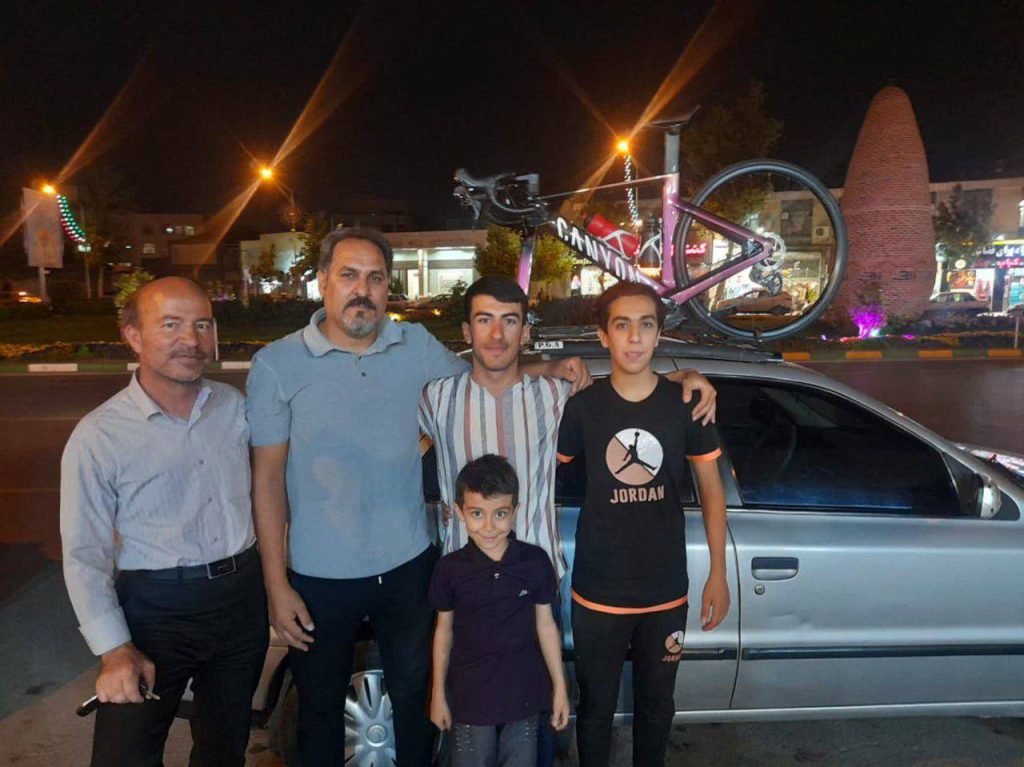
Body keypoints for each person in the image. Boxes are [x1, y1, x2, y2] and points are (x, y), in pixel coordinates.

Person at [246, 228, 591, 765]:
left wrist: (549, 368)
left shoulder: (415, 346)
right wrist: (276, 585)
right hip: (317, 576)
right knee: (317, 711)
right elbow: (266, 482)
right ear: (323, 281)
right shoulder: (276, 364)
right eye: (349, 275)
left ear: (389, 286)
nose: (362, 290)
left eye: (375, 278)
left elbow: (487, 374)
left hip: (408, 569)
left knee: (415, 705)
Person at [418, 275, 718, 765]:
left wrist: (688, 376)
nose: (496, 334)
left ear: (524, 331)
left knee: (540, 725)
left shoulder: (556, 397)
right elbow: (393, 454)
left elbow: (630, 386)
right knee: (470, 727)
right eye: (484, 320)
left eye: (509, 321)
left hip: (536, 586)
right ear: (466, 331)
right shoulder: (435, 398)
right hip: (464, 588)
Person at [60, 277, 267, 767]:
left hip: (241, 600)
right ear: (133, 336)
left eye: (202, 325)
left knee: (224, 749)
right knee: (125, 755)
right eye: (171, 325)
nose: (191, 340)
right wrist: (114, 650)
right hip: (155, 611)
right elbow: (84, 554)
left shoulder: (235, 409)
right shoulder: (99, 436)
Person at [556, 280, 730, 767]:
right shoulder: (582, 407)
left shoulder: (687, 403)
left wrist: (718, 573)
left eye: (646, 325)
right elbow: (541, 462)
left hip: (665, 591)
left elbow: (712, 491)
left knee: (657, 708)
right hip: (598, 591)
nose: (634, 337)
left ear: (658, 335)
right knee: (595, 710)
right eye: (622, 325)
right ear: (604, 336)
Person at [429, 455, 569, 767]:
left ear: (515, 512)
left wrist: (559, 687)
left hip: (523, 695)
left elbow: (546, 626)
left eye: (500, 514)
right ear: (460, 512)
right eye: (477, 514)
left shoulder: (534, 562)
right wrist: (438, 694)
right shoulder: (449, 570)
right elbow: (443, 631)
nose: (489, 527)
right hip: (470, 699)